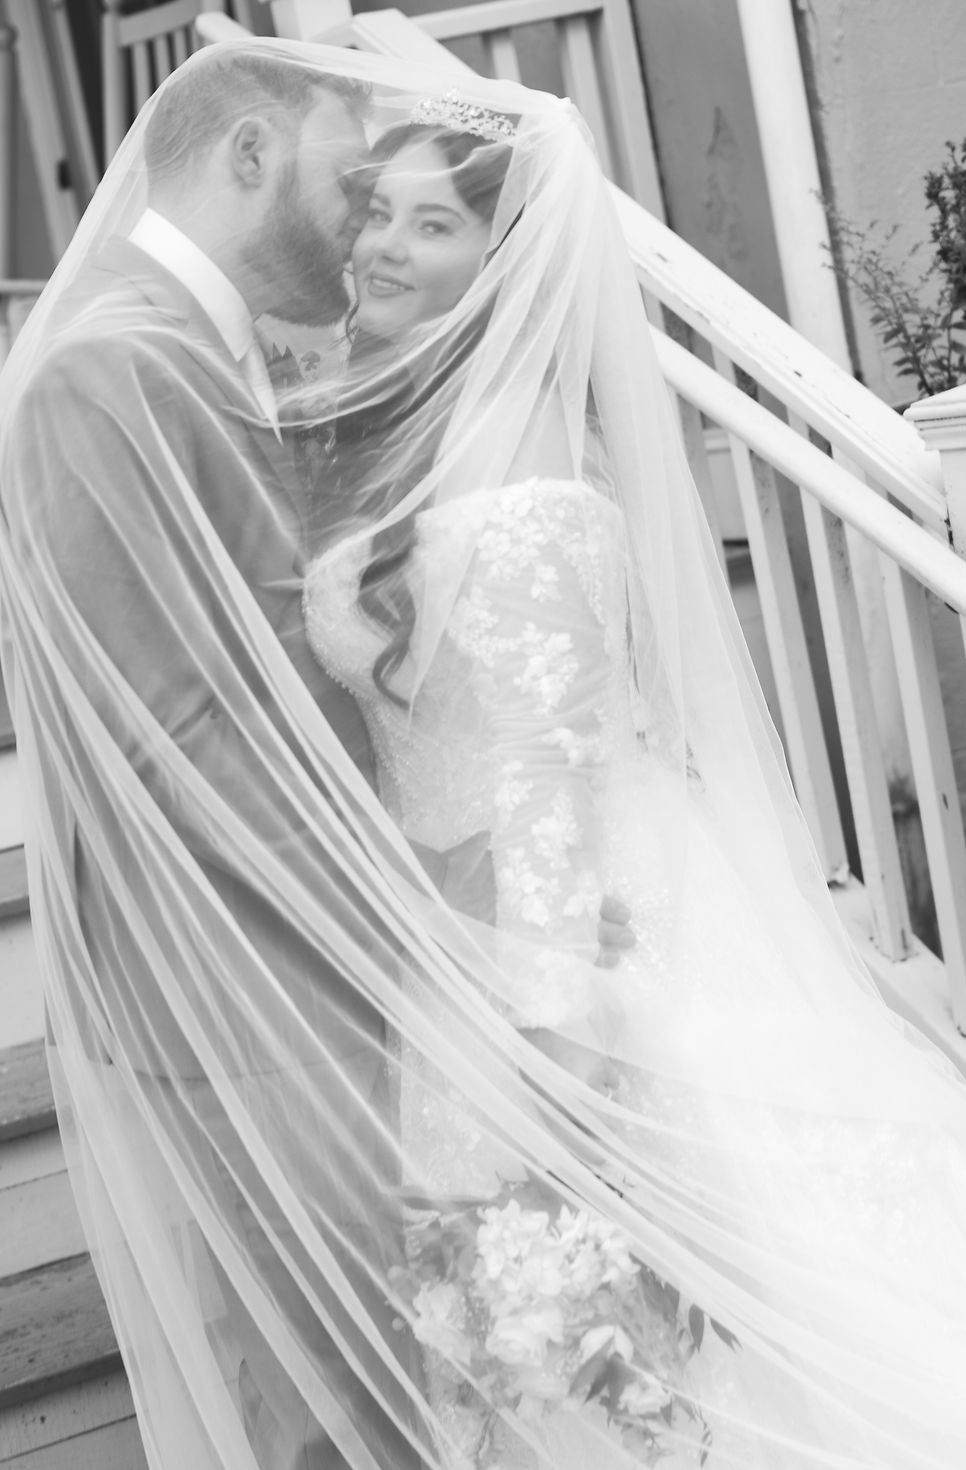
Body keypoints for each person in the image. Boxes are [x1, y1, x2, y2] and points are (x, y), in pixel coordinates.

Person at [299, 78, 966, 1470]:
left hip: (557, 949)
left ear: (500, 273)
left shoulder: (525, 475)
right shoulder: (414, 443)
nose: (377, 242)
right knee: (541, 1330)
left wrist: (551, 1036)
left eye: (429, 225)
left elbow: (547, 766)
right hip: (457, 938)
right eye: (377, 210)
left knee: (624, 1312)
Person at [0, 41, 632, 1470]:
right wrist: (414, 931)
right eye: (355, 187)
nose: (365, 227)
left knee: (396, 1395)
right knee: (336, 1413)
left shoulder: (213, 360)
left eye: (421, 216)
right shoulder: (110, 367)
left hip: (339, 988)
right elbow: (175, 739)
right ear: (245, 155)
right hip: (257, 990)